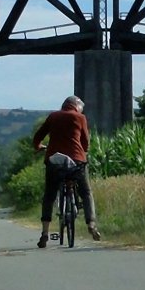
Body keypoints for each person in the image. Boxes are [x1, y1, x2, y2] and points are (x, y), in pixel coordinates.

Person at [32, 95, 100, 247]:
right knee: (86, 192)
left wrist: (38, 147)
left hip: (55, 161)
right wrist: (84, 150)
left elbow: (38, 136)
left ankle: (45, 232)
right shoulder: (80, 118)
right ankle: (91, 224)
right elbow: (86, 142)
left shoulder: (53, 116)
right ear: (76, 106)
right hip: (76, 161)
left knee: (49, 195)